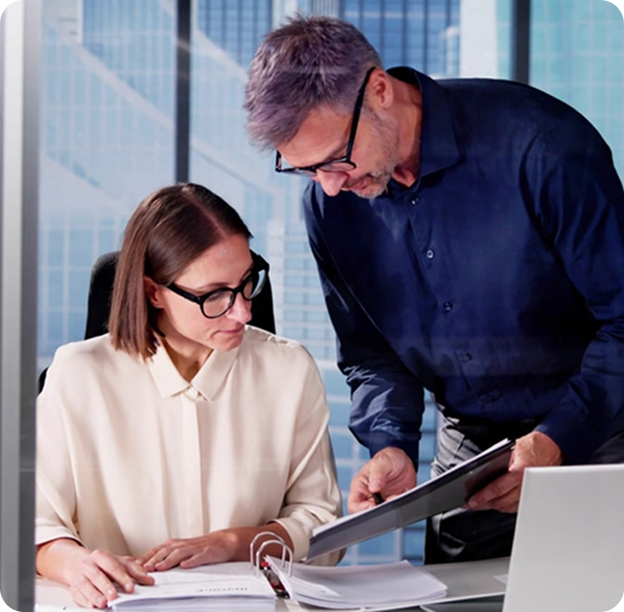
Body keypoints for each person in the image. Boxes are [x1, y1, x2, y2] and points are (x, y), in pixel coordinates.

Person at [244, 15, 624, 564]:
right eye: (305, 170)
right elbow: (371, 352)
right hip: (472, 451)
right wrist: (391, 443)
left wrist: (557, 439)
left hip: (598, 426)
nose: (329, 185)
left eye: (334, 159)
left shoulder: (543, 146)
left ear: (378, 91)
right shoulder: (330, 205)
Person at [35, 182, 342, 608]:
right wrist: (77, 565)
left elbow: (324, 527)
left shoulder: (289, 371)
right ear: (153, 292)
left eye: (247, 282)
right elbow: (32, 524)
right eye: (214, 295)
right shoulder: (78, 375)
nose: (244, 311)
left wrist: (235, 542)